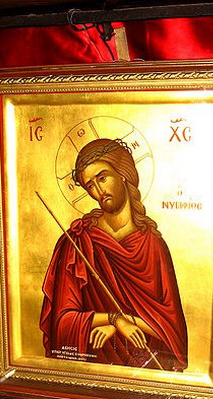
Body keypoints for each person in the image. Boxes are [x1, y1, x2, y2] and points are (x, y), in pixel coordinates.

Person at [40, 138, 188, 371]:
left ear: (123, 174)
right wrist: (114, 319)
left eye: (102, 178)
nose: (99, 191)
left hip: (145, 371)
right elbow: (62, 324)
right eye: (90, 185)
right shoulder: (77, 242)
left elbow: (172, 332)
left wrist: (123, 323)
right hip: (92, 370)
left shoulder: (154, 246)